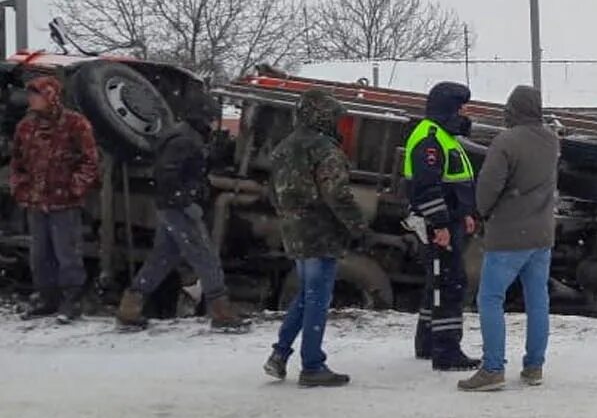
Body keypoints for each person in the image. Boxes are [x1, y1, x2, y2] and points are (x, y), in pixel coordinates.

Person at [116, 95, 250, 332]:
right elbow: (168, 175)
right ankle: (221, 312)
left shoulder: (183, 135)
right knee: (205, 256)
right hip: (178, 208)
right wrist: (186, 200)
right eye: (209, 118)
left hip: (170, 205)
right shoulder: (184, 140)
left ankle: (131, 306)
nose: (211, 123)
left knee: (163, 258)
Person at [262, 90, 368, 388]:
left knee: (306, 294)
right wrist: (358, 227)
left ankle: (280, 354)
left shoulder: (284, 147)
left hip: (293, 230)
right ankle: (312, 364)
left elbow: (271, 191)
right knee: (317, 298)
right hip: (320, 232)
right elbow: (337, 194)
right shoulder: (323, 149)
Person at [459, 85, 559, 392]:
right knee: (537, 300)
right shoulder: (552, 140)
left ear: (512, 109)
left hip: (509, 235)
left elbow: (488, 189)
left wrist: (481, 212)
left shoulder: (506, 142)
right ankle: (534, 366)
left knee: (490, 298)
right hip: (541, 234)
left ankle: (492, 369)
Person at [10, 75, 100, 323]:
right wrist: (20, 187)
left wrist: (75, 187)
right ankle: (47, 298)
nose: (31, 99)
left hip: (65, 202)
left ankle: (72, 301)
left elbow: (90, 161)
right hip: (37, 201)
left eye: (36, 94)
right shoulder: (26, 126)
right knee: (40, 255)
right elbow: (17, 161)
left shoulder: (75, 124)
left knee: (67, 254)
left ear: (51, 96)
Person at [405, 82, 480, 371]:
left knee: (438, 282)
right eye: (461, 107)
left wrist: (465, 214)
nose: (465, 113)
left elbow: (455, 183)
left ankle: (427, 342)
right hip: (440, 224)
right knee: (449, 283)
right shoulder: (431, 138)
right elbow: (426, 187)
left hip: (451, 220)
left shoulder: (445, 137)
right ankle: (446, 350)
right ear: (449, 108)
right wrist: (440, 224)